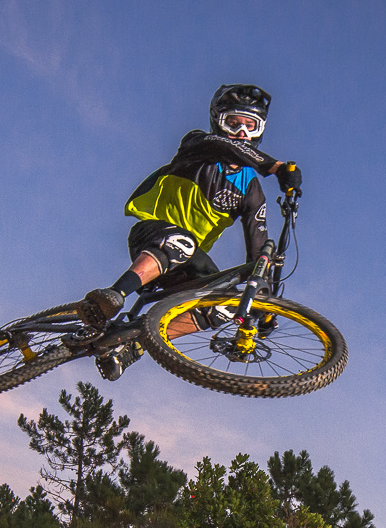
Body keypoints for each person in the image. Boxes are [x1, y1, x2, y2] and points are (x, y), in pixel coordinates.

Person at [79, 84, 303, 380]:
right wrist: (273, 166)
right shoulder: (199, 143)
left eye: (250, 125)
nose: (241, 132)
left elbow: (257, 250)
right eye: (233, 123)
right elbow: (226, 147)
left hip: (188, 260)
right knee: (180, 242)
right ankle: (113, 296)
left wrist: (265, 306)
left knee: (224, 305)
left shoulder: (251, 190)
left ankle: (135, 343)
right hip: (153, 235)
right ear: (218, 122)